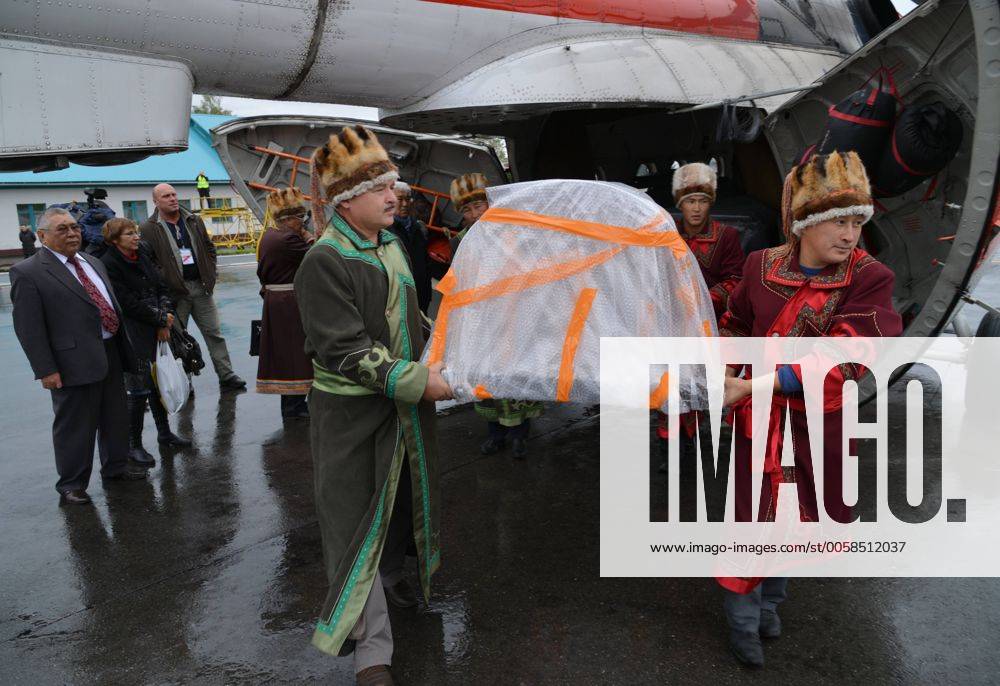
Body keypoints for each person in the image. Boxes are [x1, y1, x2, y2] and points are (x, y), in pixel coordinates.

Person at [717, 151, 903, 668]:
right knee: (752, 521)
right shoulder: (759, 266)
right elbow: (735, 322)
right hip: (760, 427)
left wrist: (750, 387)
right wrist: (728, 370)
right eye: (838, 221)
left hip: (818, 427)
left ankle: (771, 604)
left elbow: (846, 359)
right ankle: (742, 622)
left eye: (857, 222)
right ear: (804, 223)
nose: (851, 235)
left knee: (799, 521)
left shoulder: (870, 279)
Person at [296, 124, 453, 686]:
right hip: (352, 420)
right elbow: (343, 353)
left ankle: (392, 582)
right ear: (345, 200)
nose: (394, 196)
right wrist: (421, 381)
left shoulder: (389, 243)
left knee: (399, 507)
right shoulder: (324, 259)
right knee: (354, 525)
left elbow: (410, 319)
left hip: (401, 408)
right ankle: (372, 652)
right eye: (380, 187)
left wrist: (444, 345)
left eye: (394, 185)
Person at [10, 208, 147, 505]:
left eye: (74, 227)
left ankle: (116, 467)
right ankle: (71, 484)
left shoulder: (92, 261)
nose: (72, 234)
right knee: (75, 426)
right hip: (70, 362)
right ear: (42, 236)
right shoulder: (29, 272)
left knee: (115, 416)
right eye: (62, 229)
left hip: (110, 351)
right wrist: (46, 369)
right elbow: (29, 328)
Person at [449, 173, 543, 459]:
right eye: (467, 209)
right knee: (486, 378)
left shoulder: (514, 233)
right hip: (480, 321)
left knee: (514, 375)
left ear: (490, 203)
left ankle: (519, 436)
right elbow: (457, 281)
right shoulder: (461, 241)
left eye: (479, 205)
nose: (474, 214)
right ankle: (495, 433)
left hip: (514, 318)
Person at [100, 218, 191, 466]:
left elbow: (161, 285)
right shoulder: (110, 263)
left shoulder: (142, 254)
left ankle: (164, 434)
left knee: (157, 383)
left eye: (136, 232)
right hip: (133, 331)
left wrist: (164, 318)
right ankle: (134, 445)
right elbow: (126, 302)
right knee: (138, 389)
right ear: (115, 239)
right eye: (129, 234)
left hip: (155, 327)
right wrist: (160, 318)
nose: (136, 237)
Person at [139, 183, 246, 390]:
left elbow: (209, 248)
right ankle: (185, 382)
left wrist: (210, 274)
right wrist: (165, 280)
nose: (172, 198)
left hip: (200, 287)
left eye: (174, 194)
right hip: (175, 294)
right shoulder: (148, 228)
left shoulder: (193, 220)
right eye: (166, 196)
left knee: (214, 333)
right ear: (156, 201)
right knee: (178, 340)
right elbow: (148, 261)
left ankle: (227, 375)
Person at [256, 187, 314, 418]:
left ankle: (292, 404)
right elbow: (316, 254)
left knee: (285, 353)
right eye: (300, 218)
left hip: (276, 301)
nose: (302, 223)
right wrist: (310, 237)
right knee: (294, 354)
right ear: (288, 219)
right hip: (288, 303)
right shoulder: (288, 238)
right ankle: (294, 406)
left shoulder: (270, 234)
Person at [672, 162, 745, 320]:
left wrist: (704, 301)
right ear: (680, 204)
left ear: (710, 203)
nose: (697, 208)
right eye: (690, 201)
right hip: (676, 313)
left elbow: (735, 280)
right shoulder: (670, 235)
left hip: (715, 316)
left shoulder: (726, 235)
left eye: (703, 201)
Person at [387, 182, 433, 314]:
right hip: (396, 299)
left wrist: (427, 295)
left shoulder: (418, 228)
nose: (405, 204)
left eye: (408, 199)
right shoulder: (384, 230)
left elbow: (426, 264)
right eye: (400, 199)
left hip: (420, 297)